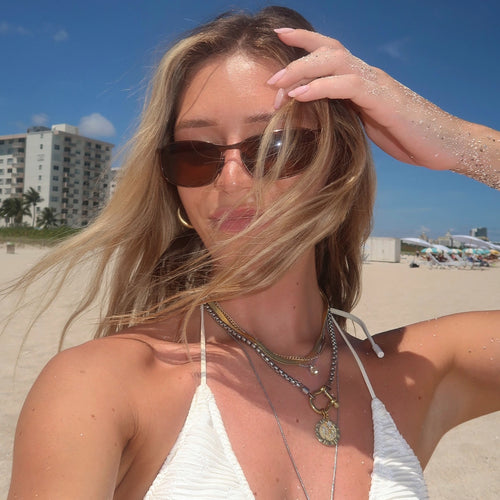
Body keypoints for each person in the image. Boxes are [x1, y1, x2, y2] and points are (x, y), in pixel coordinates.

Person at [7, 6, 500, 499]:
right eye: (196, 154)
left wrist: (460, 143)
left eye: (274, 146)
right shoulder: (101, 387)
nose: (231, 179)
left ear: (337, 163)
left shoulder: (411, 373)